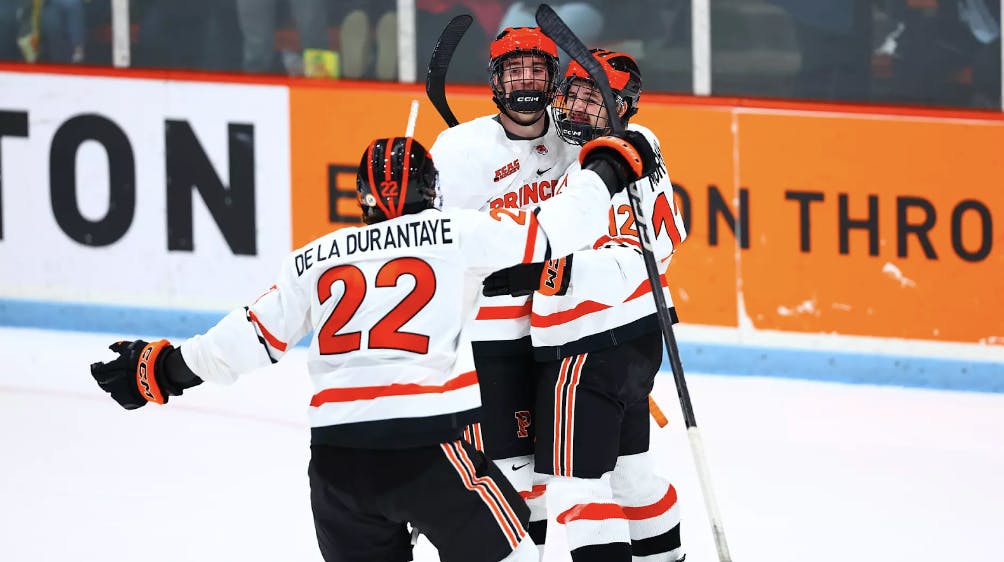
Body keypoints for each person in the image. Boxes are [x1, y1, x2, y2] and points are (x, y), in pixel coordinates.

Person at [88, 132, 656, 562]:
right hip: (426, 449)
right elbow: (555, 229)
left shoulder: (315, 256)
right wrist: (604, 168)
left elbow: (249, 337)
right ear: (432, 190)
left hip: (336, 465)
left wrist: (165, 369)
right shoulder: (458, 231)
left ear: (360, 195)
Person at [485, 49, 687, 561]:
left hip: (588, 346)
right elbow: (672, 235)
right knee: (631, 478)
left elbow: (623, 266)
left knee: (576, 491)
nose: (577, 108)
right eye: (572, 94)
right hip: (635, 342)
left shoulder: (604, 171)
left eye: (593, 100)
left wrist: (539, 272)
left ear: (624, 106)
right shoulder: (643, 151)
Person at [429, 25, 581, 553]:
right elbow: (437, 244)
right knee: (502, 472)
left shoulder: (573, 140)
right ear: (495, 79)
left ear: (553, 77)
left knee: (545, 475)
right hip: (489, 339)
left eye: (537, 70)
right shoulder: (457, 148)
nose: (526, 81)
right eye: (514, 70)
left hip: (560, 331)